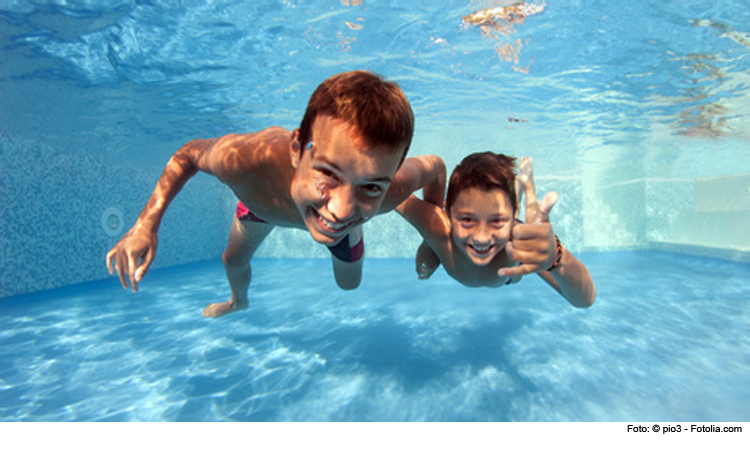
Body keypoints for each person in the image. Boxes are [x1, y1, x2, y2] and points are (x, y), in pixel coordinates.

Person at [106, 70, 446, 317]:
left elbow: (436, 167)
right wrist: (146, 224)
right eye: (328, 173)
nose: (342, 210)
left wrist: (433, 238)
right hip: (261, 206)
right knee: (232, 260)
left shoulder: (391, 190)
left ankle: (347, 224)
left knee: (349, 285)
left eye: (371, 186)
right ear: (297, 149)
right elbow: (187, 155)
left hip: (331, 231)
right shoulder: (246, 162)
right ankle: (238, 302)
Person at [396, 152, 595, 308]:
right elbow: (392, 190)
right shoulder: (435, 226)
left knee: (531, 222)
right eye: (467, 219)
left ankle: (527, 184)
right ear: (447, 211)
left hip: (509, 277)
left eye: (497, 221)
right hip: (477, 224)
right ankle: (515, 194)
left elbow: (584, 300)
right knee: (508, 210)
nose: (482, 238)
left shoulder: (520, 244)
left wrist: (556, 258)